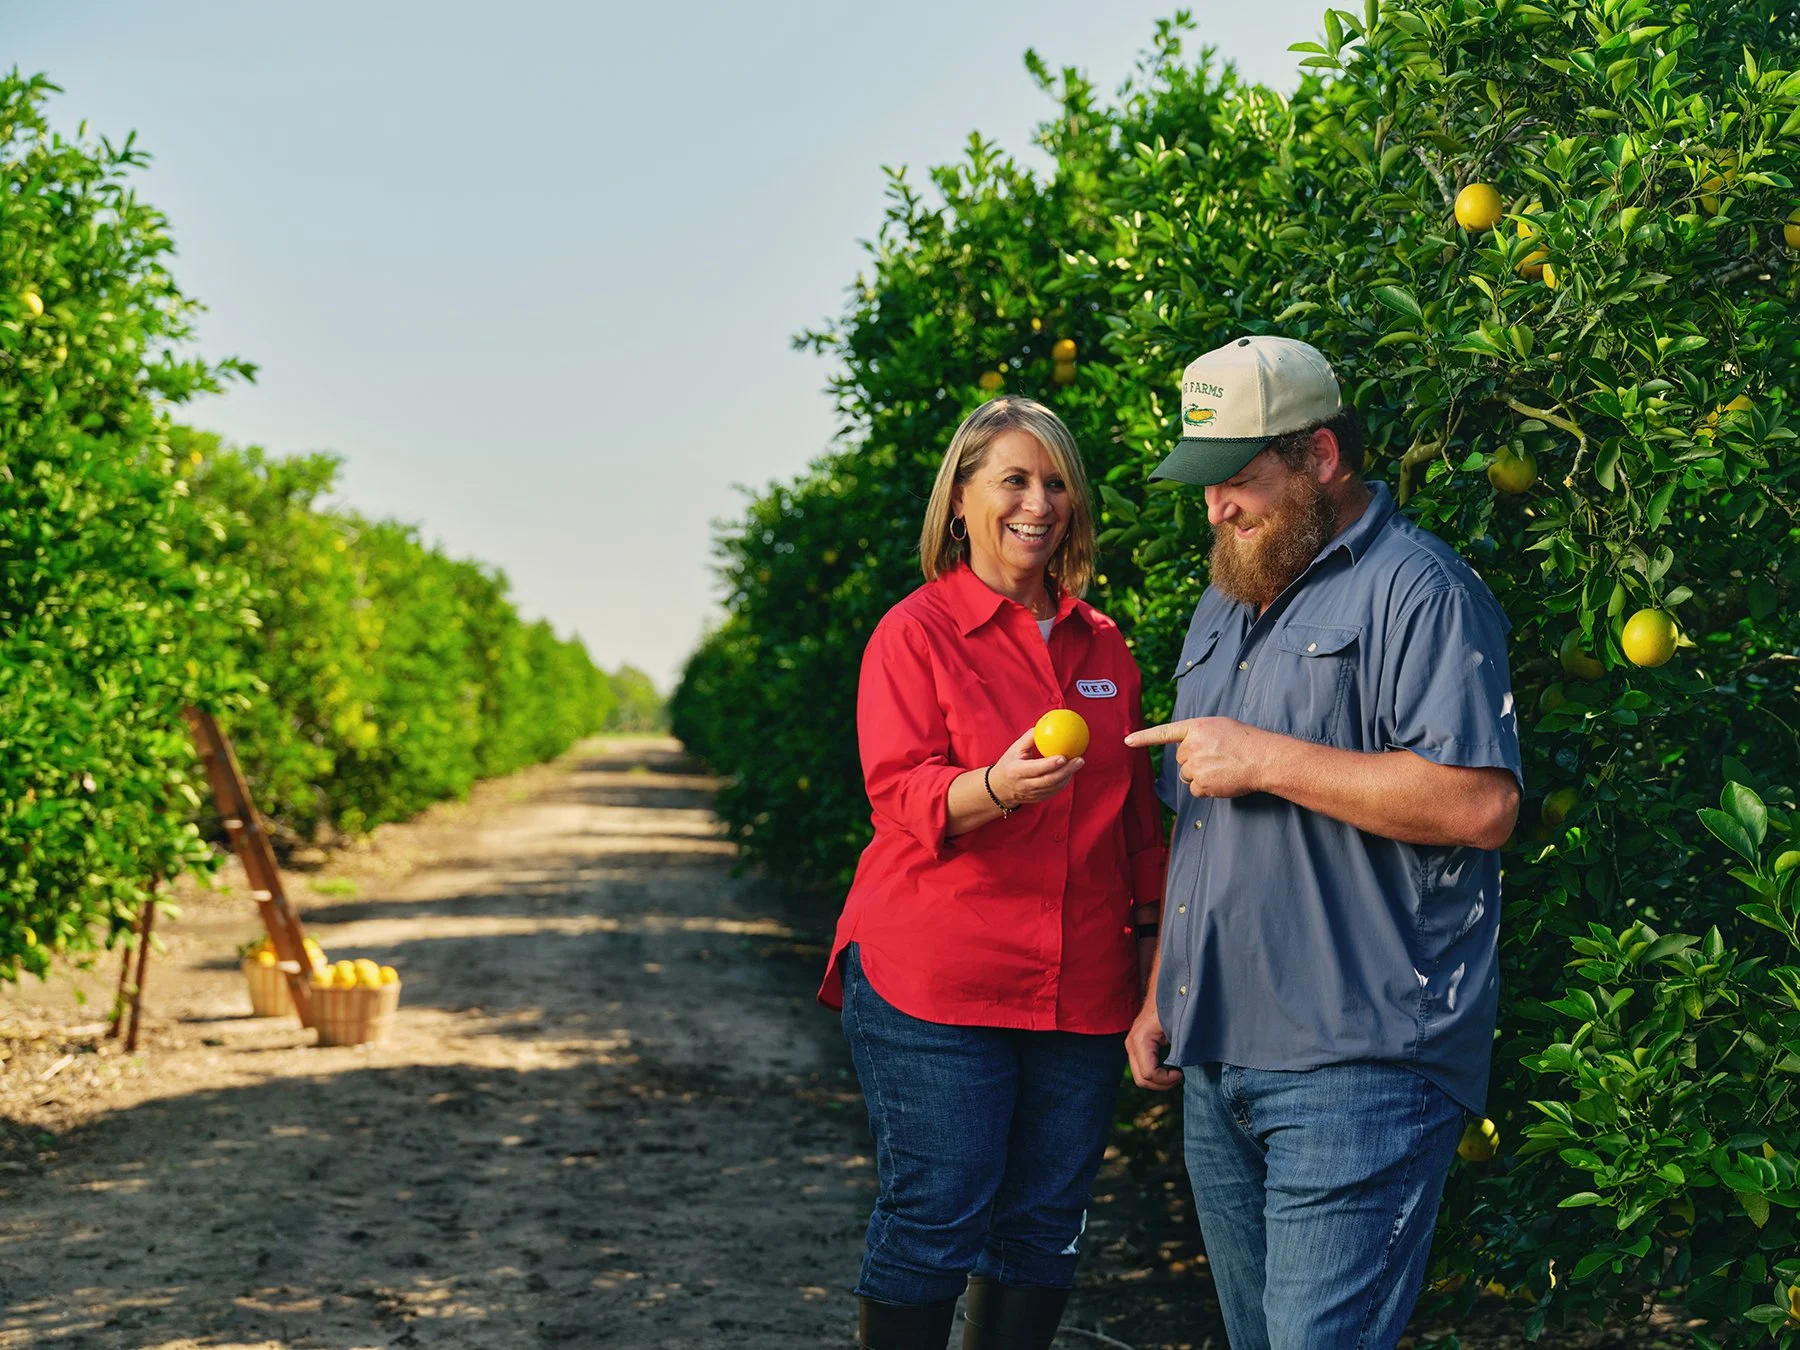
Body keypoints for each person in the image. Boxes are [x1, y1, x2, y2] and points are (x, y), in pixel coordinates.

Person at [1122, 335, 1522, 1349]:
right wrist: (1162, 991)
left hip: (1361, 1063)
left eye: (1240, 481)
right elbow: (1201, 824)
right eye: (1205, 487)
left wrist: (1264, 757)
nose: (1217, 509)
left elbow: (1479, 803)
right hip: (1218, 1058)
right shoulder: (1224, 604)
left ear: (1323, 458)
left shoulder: (1418, 590)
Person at [818, 396, 1167, 1350]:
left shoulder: (1103, 644)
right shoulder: (916, 633)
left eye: (1056, 482)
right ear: (963, 499)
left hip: (1082, 983)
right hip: (939, 977)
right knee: (938, 1214)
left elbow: (1140, 828)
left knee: (1043, 1230)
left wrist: (1152, 976)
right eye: (1013, 479)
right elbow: (900, 794)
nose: (1038, 502)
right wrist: (996, 787)